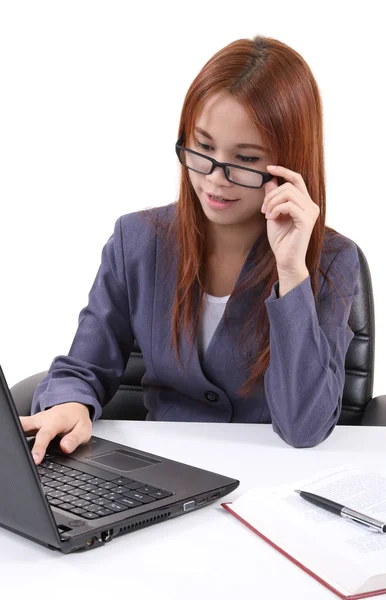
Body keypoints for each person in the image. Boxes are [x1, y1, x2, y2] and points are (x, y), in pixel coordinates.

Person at [21, 35, 360, 464]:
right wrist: (70, 402)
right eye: (202, 147)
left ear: (289, 164)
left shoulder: (330, 260)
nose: (215, 179)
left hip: (270, 480)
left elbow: (304, 428)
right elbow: (84, 366)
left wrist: (291, 272)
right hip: (161, 474)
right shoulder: (139, 240)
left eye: (247, 159)